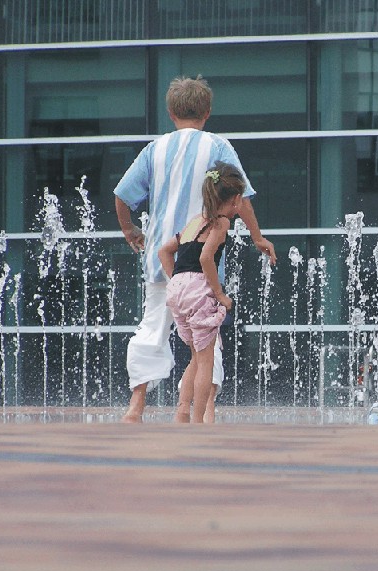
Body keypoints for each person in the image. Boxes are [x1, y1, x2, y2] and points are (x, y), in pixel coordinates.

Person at [115, 76, 276, 423]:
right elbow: (241, 197)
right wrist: (257, 236)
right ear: (207, 112)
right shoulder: (217, 146)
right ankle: (198, 411)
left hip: (165, 259)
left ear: (171, 113)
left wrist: (130, 230)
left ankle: (136, 404)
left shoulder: (154, 149)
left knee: (151, 328)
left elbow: (122, 195)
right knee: (206, 338)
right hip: (202, 265)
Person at [159, 162, 243, 423]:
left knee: (196, 356)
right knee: (207, 361)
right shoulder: (222, 224)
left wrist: (179, 281)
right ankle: (197, 423)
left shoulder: (194, 222)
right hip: (198, 290)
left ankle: (182, 411)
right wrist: (219, 295)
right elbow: (207, 258)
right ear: (236, 199)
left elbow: (164, 251)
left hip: (176, 292)